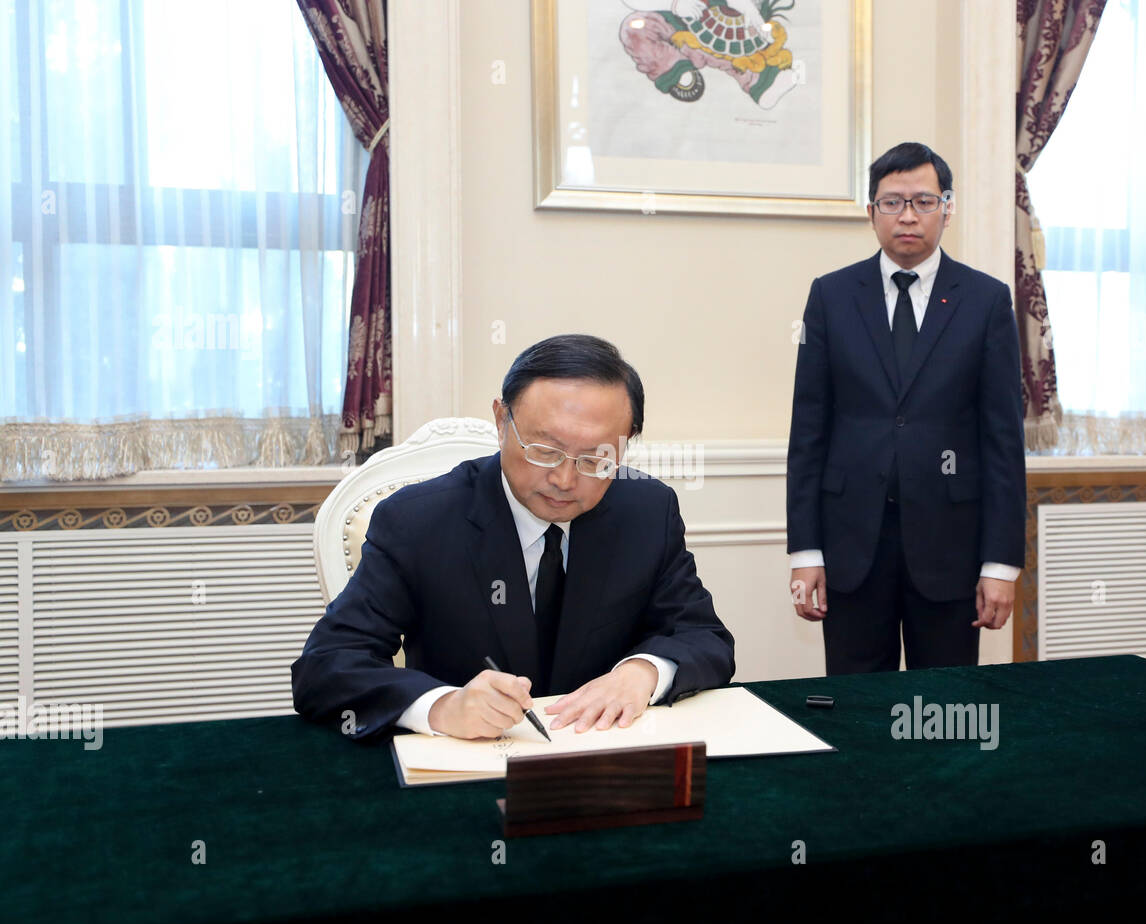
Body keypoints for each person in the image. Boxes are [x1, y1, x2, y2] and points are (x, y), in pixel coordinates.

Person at [293, 334, 735, 741]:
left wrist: (643, 672)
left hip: (605, 758)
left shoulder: (646, 511)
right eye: (544, 450)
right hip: (470, 767)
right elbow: (327, 666)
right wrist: (442, 707)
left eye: (597, 458)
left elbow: (704, 637)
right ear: (502, 420)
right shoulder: (418, 520)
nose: (564, 479)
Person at [785, 141, 1026, 674]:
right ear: (872, 212)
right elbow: (808, 432)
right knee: (857, 712)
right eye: (892, 202)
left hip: (951, 549)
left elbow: (1003, 442)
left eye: (923, 200)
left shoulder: (986, 301)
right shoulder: (831, 296)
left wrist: (1001, 564)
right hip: (851, 547)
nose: (908, 216)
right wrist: (806, 553)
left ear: (947, 207)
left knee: (942, 710)